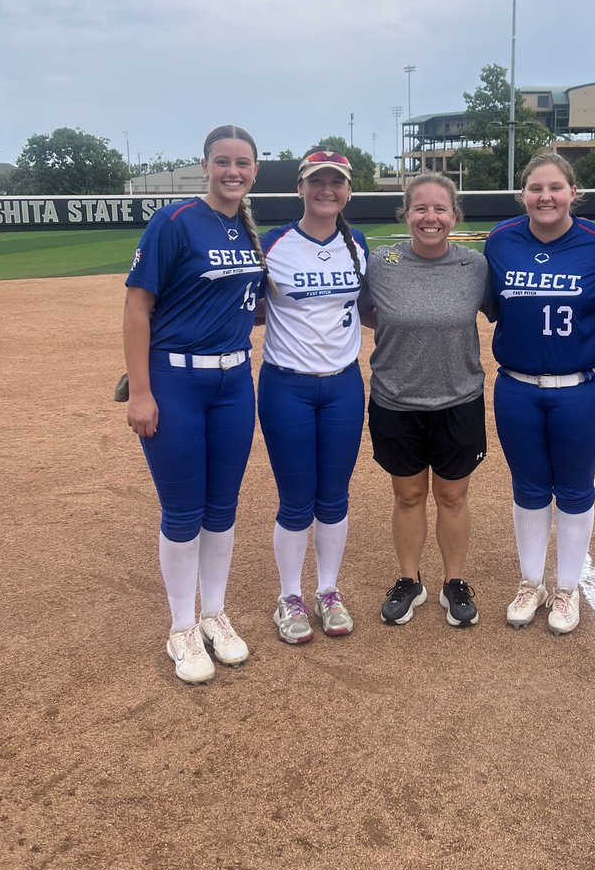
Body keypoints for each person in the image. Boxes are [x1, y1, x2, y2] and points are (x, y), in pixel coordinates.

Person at [123, 125, 266, 685]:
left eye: (244, 163)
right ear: (205, 165)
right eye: (223, 161)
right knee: (183, 511)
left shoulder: (244, 230)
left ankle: (214, 614)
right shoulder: (175, 221)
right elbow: (138, 308)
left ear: (255, 171)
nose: (234, 171)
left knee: (222, 508)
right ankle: (182, 626)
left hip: (234, 383)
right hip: (176, 382)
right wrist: (139, 390)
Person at [484, 153, 595, 635]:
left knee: (574, 488)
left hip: (583, 389)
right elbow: (487, 305)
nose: (545, 197)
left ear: (573, 192)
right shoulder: (501, 240)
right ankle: (532, 582)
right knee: (527, 487)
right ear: (522, 194)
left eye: (555, 187)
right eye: (535, 188)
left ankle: (567, 588)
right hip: (517, 387)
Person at [361, 173, 489, 628]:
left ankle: (454, 582)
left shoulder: (474, 266)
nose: (429, 217)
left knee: (453, 495)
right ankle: (409, 580)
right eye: (420, 208)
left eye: (439, 209)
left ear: (454, 216)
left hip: (459, 398)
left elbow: (503, 309)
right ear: (406, 214)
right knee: (408, 494)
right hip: (396, 398)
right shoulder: (381, 262)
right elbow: (362, 312)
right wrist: (410, 332)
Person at [258, 150, 368, 645]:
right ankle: (289, 596)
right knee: (296, 499)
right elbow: (241, 308)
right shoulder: (273, 244)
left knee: (335, 496)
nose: (328, 190)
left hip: (344, 384)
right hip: (288, 386)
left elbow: (369, 309)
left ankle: (327, 590)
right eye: (317, 181)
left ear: (348, 191)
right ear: (300, 187)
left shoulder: (357, 243)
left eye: (337, 183)